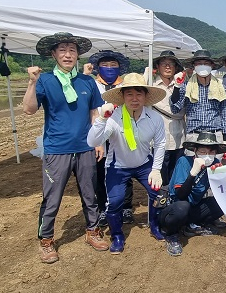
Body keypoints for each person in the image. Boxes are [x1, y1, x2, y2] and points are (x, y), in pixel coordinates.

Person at [23, 32, 108, 263]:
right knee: (52, 198)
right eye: (62, 50)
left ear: (78, 55)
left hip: (85, 147)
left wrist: (98, 141)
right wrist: (32, 82)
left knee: (90, 194)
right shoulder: (45, 80)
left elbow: (94, 113)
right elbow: (29, 109)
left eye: (72, 50)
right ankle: (47, 240)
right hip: (56, 149)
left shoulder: (87, 81)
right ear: (54, 54)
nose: (68, 54)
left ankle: (92, 231)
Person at [87, 73, 167, 254]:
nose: (134, 98)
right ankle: (117, 235)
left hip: (144, 164)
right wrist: (101, 120)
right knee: (115, 202)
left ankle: (154, 226)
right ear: (122, 97)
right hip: (118, 166)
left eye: (139, 94)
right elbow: (92, 142)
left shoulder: (154, 118)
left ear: (146, 96)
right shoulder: (113, 118)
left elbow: (161, 143)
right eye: (129, 94)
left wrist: (156, 169)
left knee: (157, 195)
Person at [158, 132, 226, 256]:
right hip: (174, 209)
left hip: (194, 207)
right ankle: (171, 234)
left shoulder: (214, 163)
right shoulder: (184, 162)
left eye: (211, 152)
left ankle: (193, 226)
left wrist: (220, 176)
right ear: (195, 151)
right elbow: (180, 195)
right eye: (203, 151)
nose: (207, 156)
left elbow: (220, 188)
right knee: (182, 207)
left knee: (224, 201)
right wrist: (193, 173)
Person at [83, 50, 131, 226]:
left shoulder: (125, 85)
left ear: (119, 68)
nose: (109, 69)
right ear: (98, 68)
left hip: (122, 132)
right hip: (101, 133)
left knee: (124, 168)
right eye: (105, 65)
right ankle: (104, 207)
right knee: (101, 171)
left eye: (113, 65)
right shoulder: (93, 85)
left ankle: (126, 206)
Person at [170, 49, 226, 144]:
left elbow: (225, 112)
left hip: (215, 134)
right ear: (194, 66)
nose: (202, 66)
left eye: (206, 63)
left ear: (212, 65)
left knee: (214, 159)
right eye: (199, 63)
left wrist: (225, 139)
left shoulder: (220, 87)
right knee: (193, 159)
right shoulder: (186, 86)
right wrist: (177, 87)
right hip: (194, 135)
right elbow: (175, 108)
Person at [149, 50, 187, 186]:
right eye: (163, 63)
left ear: (176, 67)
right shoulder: (151, 87)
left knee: (176, 174)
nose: (167, 66)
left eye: (171, 64)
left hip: (179, 137)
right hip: (159, 138)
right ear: (157, 67)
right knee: (161, 175)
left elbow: (183, 110)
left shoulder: (182, 86)